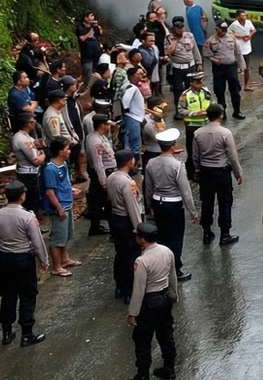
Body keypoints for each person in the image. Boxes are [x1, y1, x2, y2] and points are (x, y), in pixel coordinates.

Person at [0, 181, 48, 347]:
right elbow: (37, 242)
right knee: (27, 295)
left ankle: (7, 332)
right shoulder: (27, 217)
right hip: (23, 259)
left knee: (8, 294)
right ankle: (27, 333)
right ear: (22, 196)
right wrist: (43, 260)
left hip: (6, 259)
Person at [144, 134, 197, 283]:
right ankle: (175, 269)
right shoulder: (177, 165)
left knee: (161, 237)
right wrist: (192, 211)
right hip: (173, 205)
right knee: (175, 238)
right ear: (173, 146)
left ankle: (160, 268)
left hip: (157, 202)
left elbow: (148, 187)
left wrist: (149, 206)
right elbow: (185, 191)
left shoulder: (151, 163)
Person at [129, 221, 178, 380]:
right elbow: (172, 276)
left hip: (149, 301)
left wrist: (133, 313)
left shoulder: (141, 261)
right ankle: (169, 369)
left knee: (142, 340)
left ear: (142, 239)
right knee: (166, 335)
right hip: (165, 298)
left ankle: (143, 375)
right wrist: (174, 294)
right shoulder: (167, 251)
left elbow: (139, 289)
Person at [191, 104, 243, 246]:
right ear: (221, 115)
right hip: (221, 172)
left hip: (206, 172)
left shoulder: (198, 133)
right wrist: (238, 173)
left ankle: (207, 232)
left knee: (207, 203)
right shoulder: (225, 133)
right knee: (225, 203)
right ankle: (225, 234)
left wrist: (198, 170)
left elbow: (195, 156)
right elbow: (232, 156)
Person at [41, 139, 81, 277]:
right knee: (57, 238)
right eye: (67, 148)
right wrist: (59, 208)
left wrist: (71, 190)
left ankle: (64, 259)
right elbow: (50, 192)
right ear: (60, 151)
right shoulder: (50, 169)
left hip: (67, 202)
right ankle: (56, 266)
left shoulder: (63, 164)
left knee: (66, 235)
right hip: (60, 206)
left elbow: (64, 183)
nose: (69, 151)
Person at [108, 151, 143, 303]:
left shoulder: (111, 178)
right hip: (126, 220)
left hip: (115, 218)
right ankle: (130, 289)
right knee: (131, 256)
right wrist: (138, 229)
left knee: (120, 253)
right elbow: (133, 207)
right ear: (130, 162)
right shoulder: (128, 183)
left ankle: (119, 286)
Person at [204, 21, 245, 120]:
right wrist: (214, 60)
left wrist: (242, 66)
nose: (223, 32)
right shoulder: (210, 40)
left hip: (231, 67)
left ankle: (237, 111)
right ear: (217, 29)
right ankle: (222, 113)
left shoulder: (231, 37)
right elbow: (206, 54)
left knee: (235, 90)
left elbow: (238, 52)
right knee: (219, 91)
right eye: (221, 30)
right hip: (219, 68)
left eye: (225, 30)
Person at [85, 114, 118, 236]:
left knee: (98, 203)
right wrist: (103, 182)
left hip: (106, 172)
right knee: (106, 203)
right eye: (108, 124)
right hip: (102, 174)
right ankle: (112, 231)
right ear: (103, 125)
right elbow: (98, 163)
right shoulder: (95, 141)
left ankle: (97, 226)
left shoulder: (100, 137)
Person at [176, 72, 211, 181]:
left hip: (205, 125)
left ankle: (203, 170)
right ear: (191, 83)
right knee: (192, 151)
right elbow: (180, 110)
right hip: (192, 126)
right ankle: (192, 172)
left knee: (205, 149)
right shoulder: (186, 95)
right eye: (197, 82)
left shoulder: (206, 92)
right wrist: (194, 113)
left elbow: (211, 104)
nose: (200, 83)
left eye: (201, 81)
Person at [11, 113, 45, 212]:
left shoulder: (23, 136)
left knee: (33, 198)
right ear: (27, 124)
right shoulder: (23, 140)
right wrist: (43, 155)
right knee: (31, 199)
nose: (34, 122)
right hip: (29, 174)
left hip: (27, 172)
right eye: (31, 121)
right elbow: (36, 161)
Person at [164, 17, 201, 103]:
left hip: (190, 66)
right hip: (177, 68)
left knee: (191, 88)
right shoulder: (169, 38)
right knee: (178, 90)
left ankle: (191, 106)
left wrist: (199, 63)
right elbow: (168, 52)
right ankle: (179, 109)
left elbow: (195, 50)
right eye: (178, 28)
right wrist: (175, 41)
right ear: (174, 28)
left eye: (182, 27)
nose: (181, 30)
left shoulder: (189, 35)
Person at [227, 9, 257, 91]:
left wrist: (249, 36)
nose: (244, 17)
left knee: (247, 68)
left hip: (247, 48)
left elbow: (254, 30)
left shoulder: (248, 22)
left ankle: (246, 85)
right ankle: (235, 86)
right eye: (242, 16)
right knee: (236, 68)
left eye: (245, 15)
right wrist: (240, 36)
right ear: (238, 17)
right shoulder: (234, 25)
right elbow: (229, 33)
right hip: (238, 49)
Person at [119, 67, 146, 155]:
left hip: (133, 117)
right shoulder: (131, 88)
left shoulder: (127, 85)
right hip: (133, 117)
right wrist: (127, 110)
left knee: (130, 141)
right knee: (134, 142)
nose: (143, 75)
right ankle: (133, 163)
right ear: (134, 75)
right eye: (140, 74)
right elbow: (125, 101)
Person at [139, 96, 168, 168]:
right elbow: (158, 137)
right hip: (153, 152)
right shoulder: (147, 122)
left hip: (160, 151)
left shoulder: (158, 118)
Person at [76, 11, 102, 76]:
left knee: (94, 74)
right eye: (91, 16)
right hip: (87, 56)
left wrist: (97, 27)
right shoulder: (80, 28)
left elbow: (100, 33)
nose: (93, 18)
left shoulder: (94, 27)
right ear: (86, 18)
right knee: (87, 73)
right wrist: (91, 30)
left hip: (96, 54)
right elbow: (82, 38)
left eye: (93, 16)